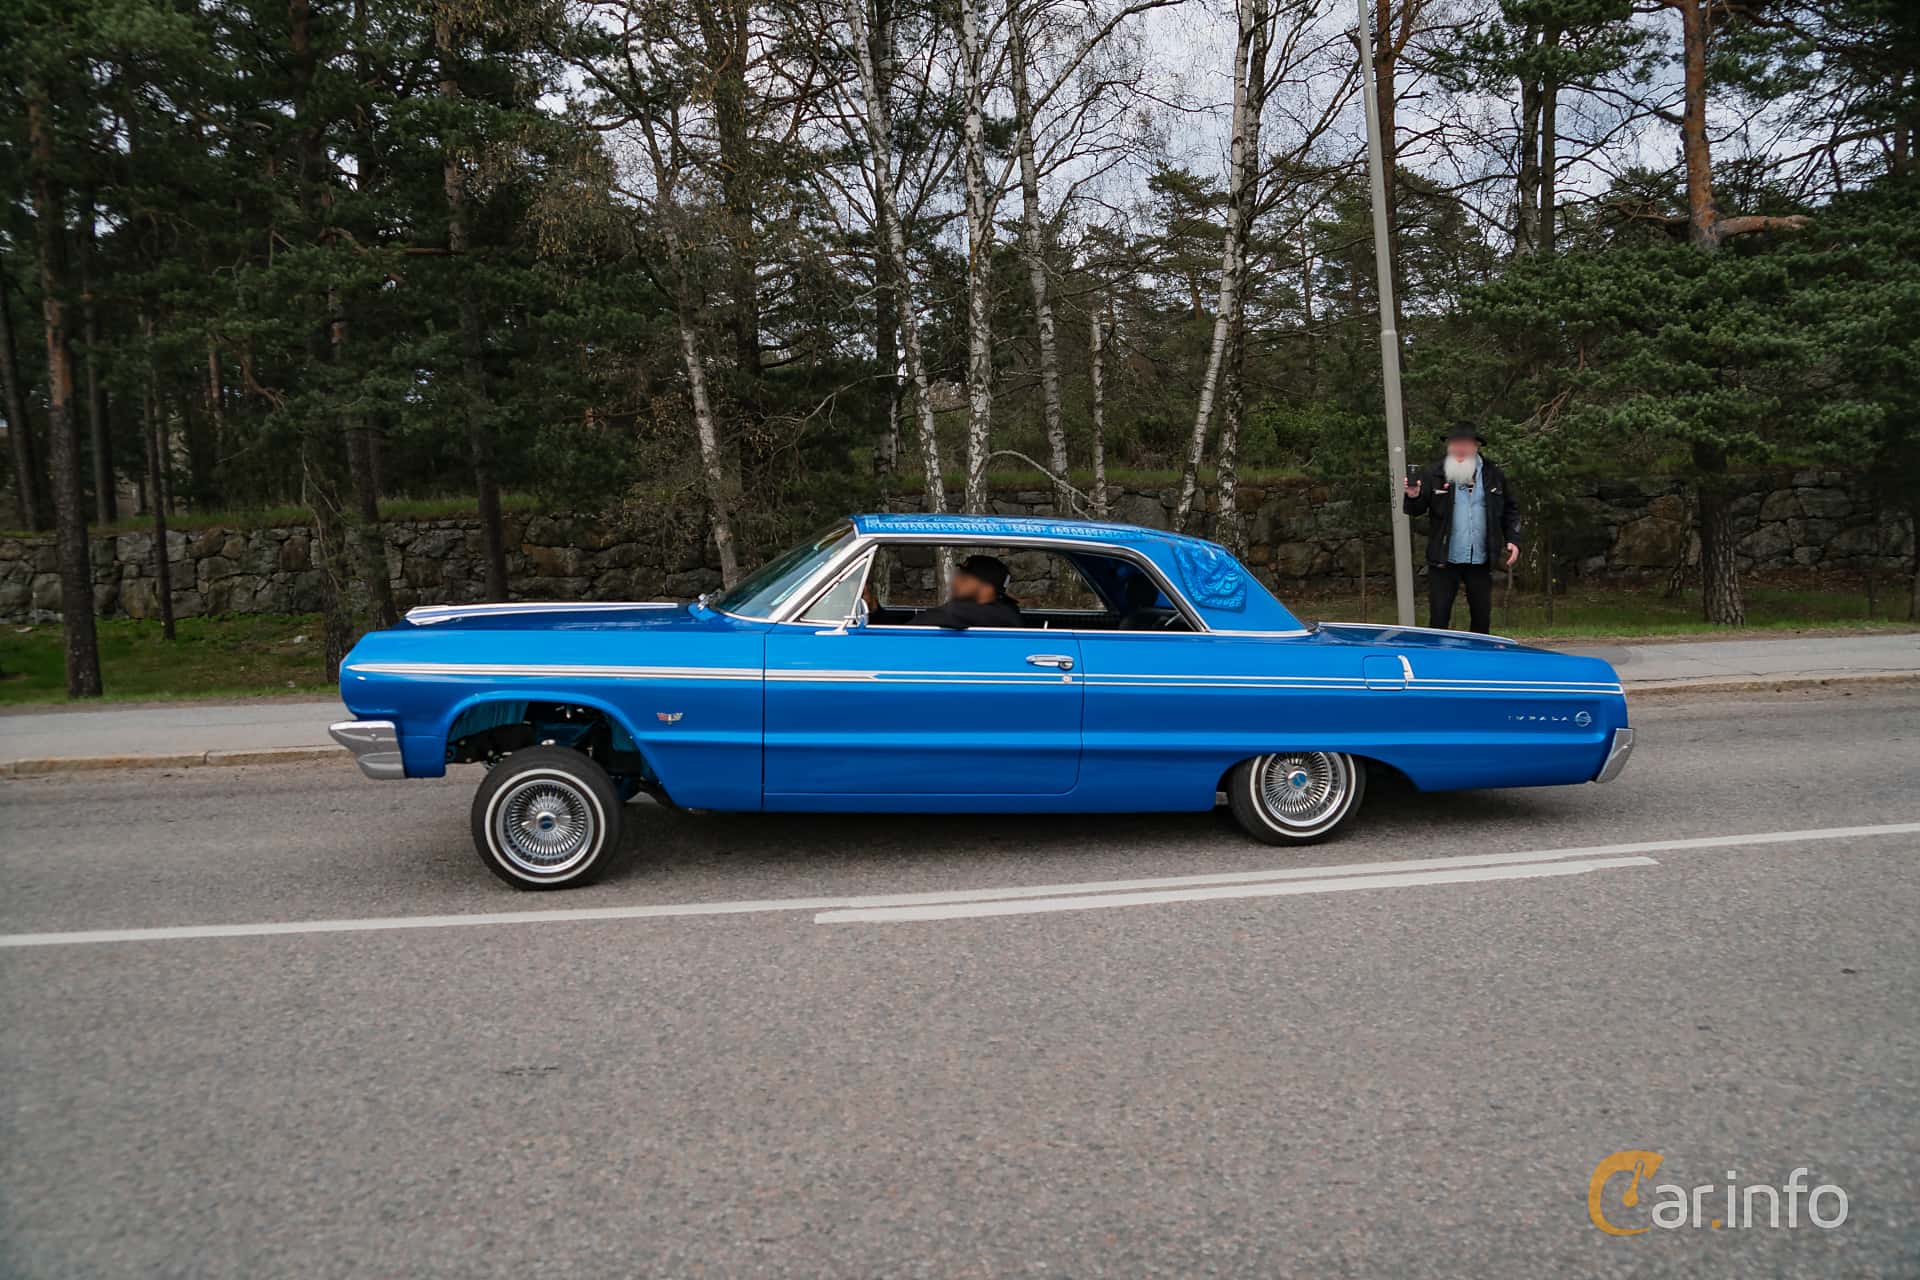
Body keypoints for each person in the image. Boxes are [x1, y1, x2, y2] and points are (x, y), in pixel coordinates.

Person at [1402, 422, 1520, 634]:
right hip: (1444, 561)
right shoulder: (1434, 474)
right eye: (1455, 444)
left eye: (1464, 444)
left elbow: (1510, 509)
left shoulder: (1494, 474)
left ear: (1476, 446)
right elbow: (1415, 510)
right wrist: (1413, 495)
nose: (1459, 449)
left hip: (1481, 560)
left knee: (1482, 620)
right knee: (1439, 619)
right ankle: (1438, 664)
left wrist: (1513, 539)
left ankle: (1477, 664)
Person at [904, 554, 1024, 629]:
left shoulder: (994, 614)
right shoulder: (1005, 609)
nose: (954, 582)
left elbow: (917, 626)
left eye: (964, 578)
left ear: (987, 588)